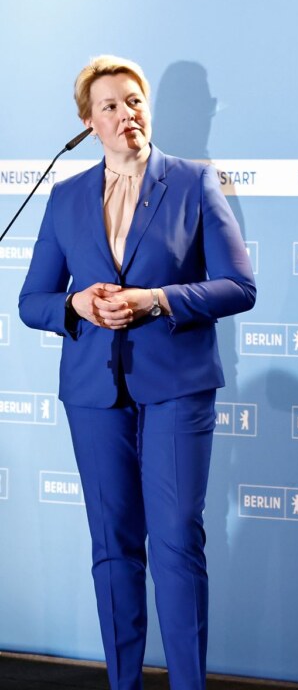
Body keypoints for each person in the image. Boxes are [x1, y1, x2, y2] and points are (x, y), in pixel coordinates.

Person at [19, 55, 256, 690]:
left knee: (177, 543)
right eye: (111, 106)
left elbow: (239, 286)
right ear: (88, 123)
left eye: (134, 100)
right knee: (113, 548)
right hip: (94, 393)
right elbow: (32, 301)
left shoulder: (194, 182)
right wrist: (77, 303)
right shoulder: (67, 196)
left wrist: (158, 300)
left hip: (176, 386)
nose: (127, 114)